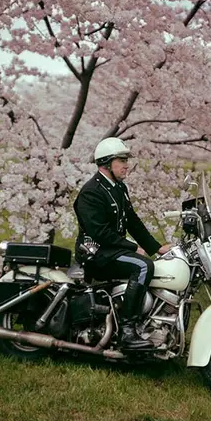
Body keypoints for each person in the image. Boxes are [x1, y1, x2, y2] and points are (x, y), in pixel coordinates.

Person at [73, 137, 172, 349]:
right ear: (107, 163)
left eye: (126, 159)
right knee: (143, 265)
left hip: (111, 249)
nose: (127, 164)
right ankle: (128, 330)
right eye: (122, 160)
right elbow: (98, 232)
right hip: (95, 253)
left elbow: (133, 222)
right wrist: (132, 247)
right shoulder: (91, 192)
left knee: (151, 262)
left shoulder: (119, 188)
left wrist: (157, 247)